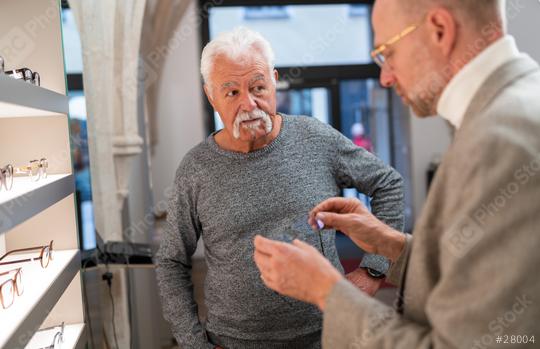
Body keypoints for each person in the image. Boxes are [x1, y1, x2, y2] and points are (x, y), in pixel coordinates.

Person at [254, 0, 540, 348]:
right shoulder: (514, 106)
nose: (385, 77)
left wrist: (327, 292)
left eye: (387, 52)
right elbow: (480, 276)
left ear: (440, 30)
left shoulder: (498, 141)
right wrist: (392, 245)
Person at [155, 27, 405, 349]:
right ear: (210, 95)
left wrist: (373, 270)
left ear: (274, 81)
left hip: (329, 337)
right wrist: (194, 343)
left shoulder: (314, 138)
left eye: (258, 87)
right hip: (233, 342)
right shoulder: (196, 168)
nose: (249, 104)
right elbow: (172, 261)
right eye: (231, 93)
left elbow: (388, 184)